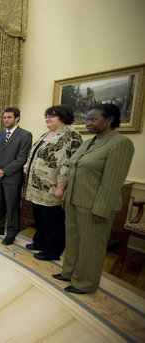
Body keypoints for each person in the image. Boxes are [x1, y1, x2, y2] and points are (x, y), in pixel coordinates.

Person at [54, 104, 134, 294]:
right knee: (73, 241)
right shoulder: (88, 142)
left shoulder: (120, 143)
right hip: (74, 201)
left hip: (94, 205)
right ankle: (69, 272)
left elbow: (113, 181)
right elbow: (74, 169)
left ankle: (85, 283)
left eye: (93, 119)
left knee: (91, 246)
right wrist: (66, 196)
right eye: (87, 119)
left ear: (109, 120)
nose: (88, 122)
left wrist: (102, 208)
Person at [23, 105, 82, 261]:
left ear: (63, 117)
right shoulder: (47, 134)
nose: (47, 119)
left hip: (53, 187)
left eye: (51, 116)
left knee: (53, 221)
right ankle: (40, 242)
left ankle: (52, 250)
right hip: (36, 186)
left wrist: (61, 187)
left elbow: (68, 164)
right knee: (40, 217)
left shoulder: (70, 136)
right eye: (46, 116)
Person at [0, 107, 32, 245]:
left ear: (17, 118)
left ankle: (11, 233)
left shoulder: (25, 135)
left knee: (12, 207)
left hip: (12, 178)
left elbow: (21, 159)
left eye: (9, 117)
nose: (6, 120)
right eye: (4, 117)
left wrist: (4, 171)